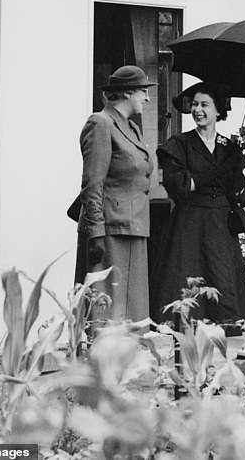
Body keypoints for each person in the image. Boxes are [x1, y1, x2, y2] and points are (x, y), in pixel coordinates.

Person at [151, 82, 245, 328]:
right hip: (189, 224)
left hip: (220, 225)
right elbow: (180, 187)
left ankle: (225, 329)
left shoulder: (228, 146)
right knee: (186, 279)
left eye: (204, 105)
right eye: (195, 105)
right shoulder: (179, 144)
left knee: (221, 277)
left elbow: (237, 192)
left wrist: (238, 158)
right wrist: (222, 166)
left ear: (218, 110)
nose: (198, 110)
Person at [74, 65, 154, 322]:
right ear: (127, 93)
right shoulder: (100, 123)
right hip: (109, 230)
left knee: (131, 310)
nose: (148, 98)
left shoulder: (132, 128)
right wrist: (96, 233)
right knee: (106, 309)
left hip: (133, 227)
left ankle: (127, 360)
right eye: (143, 91)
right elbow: (92, 183)